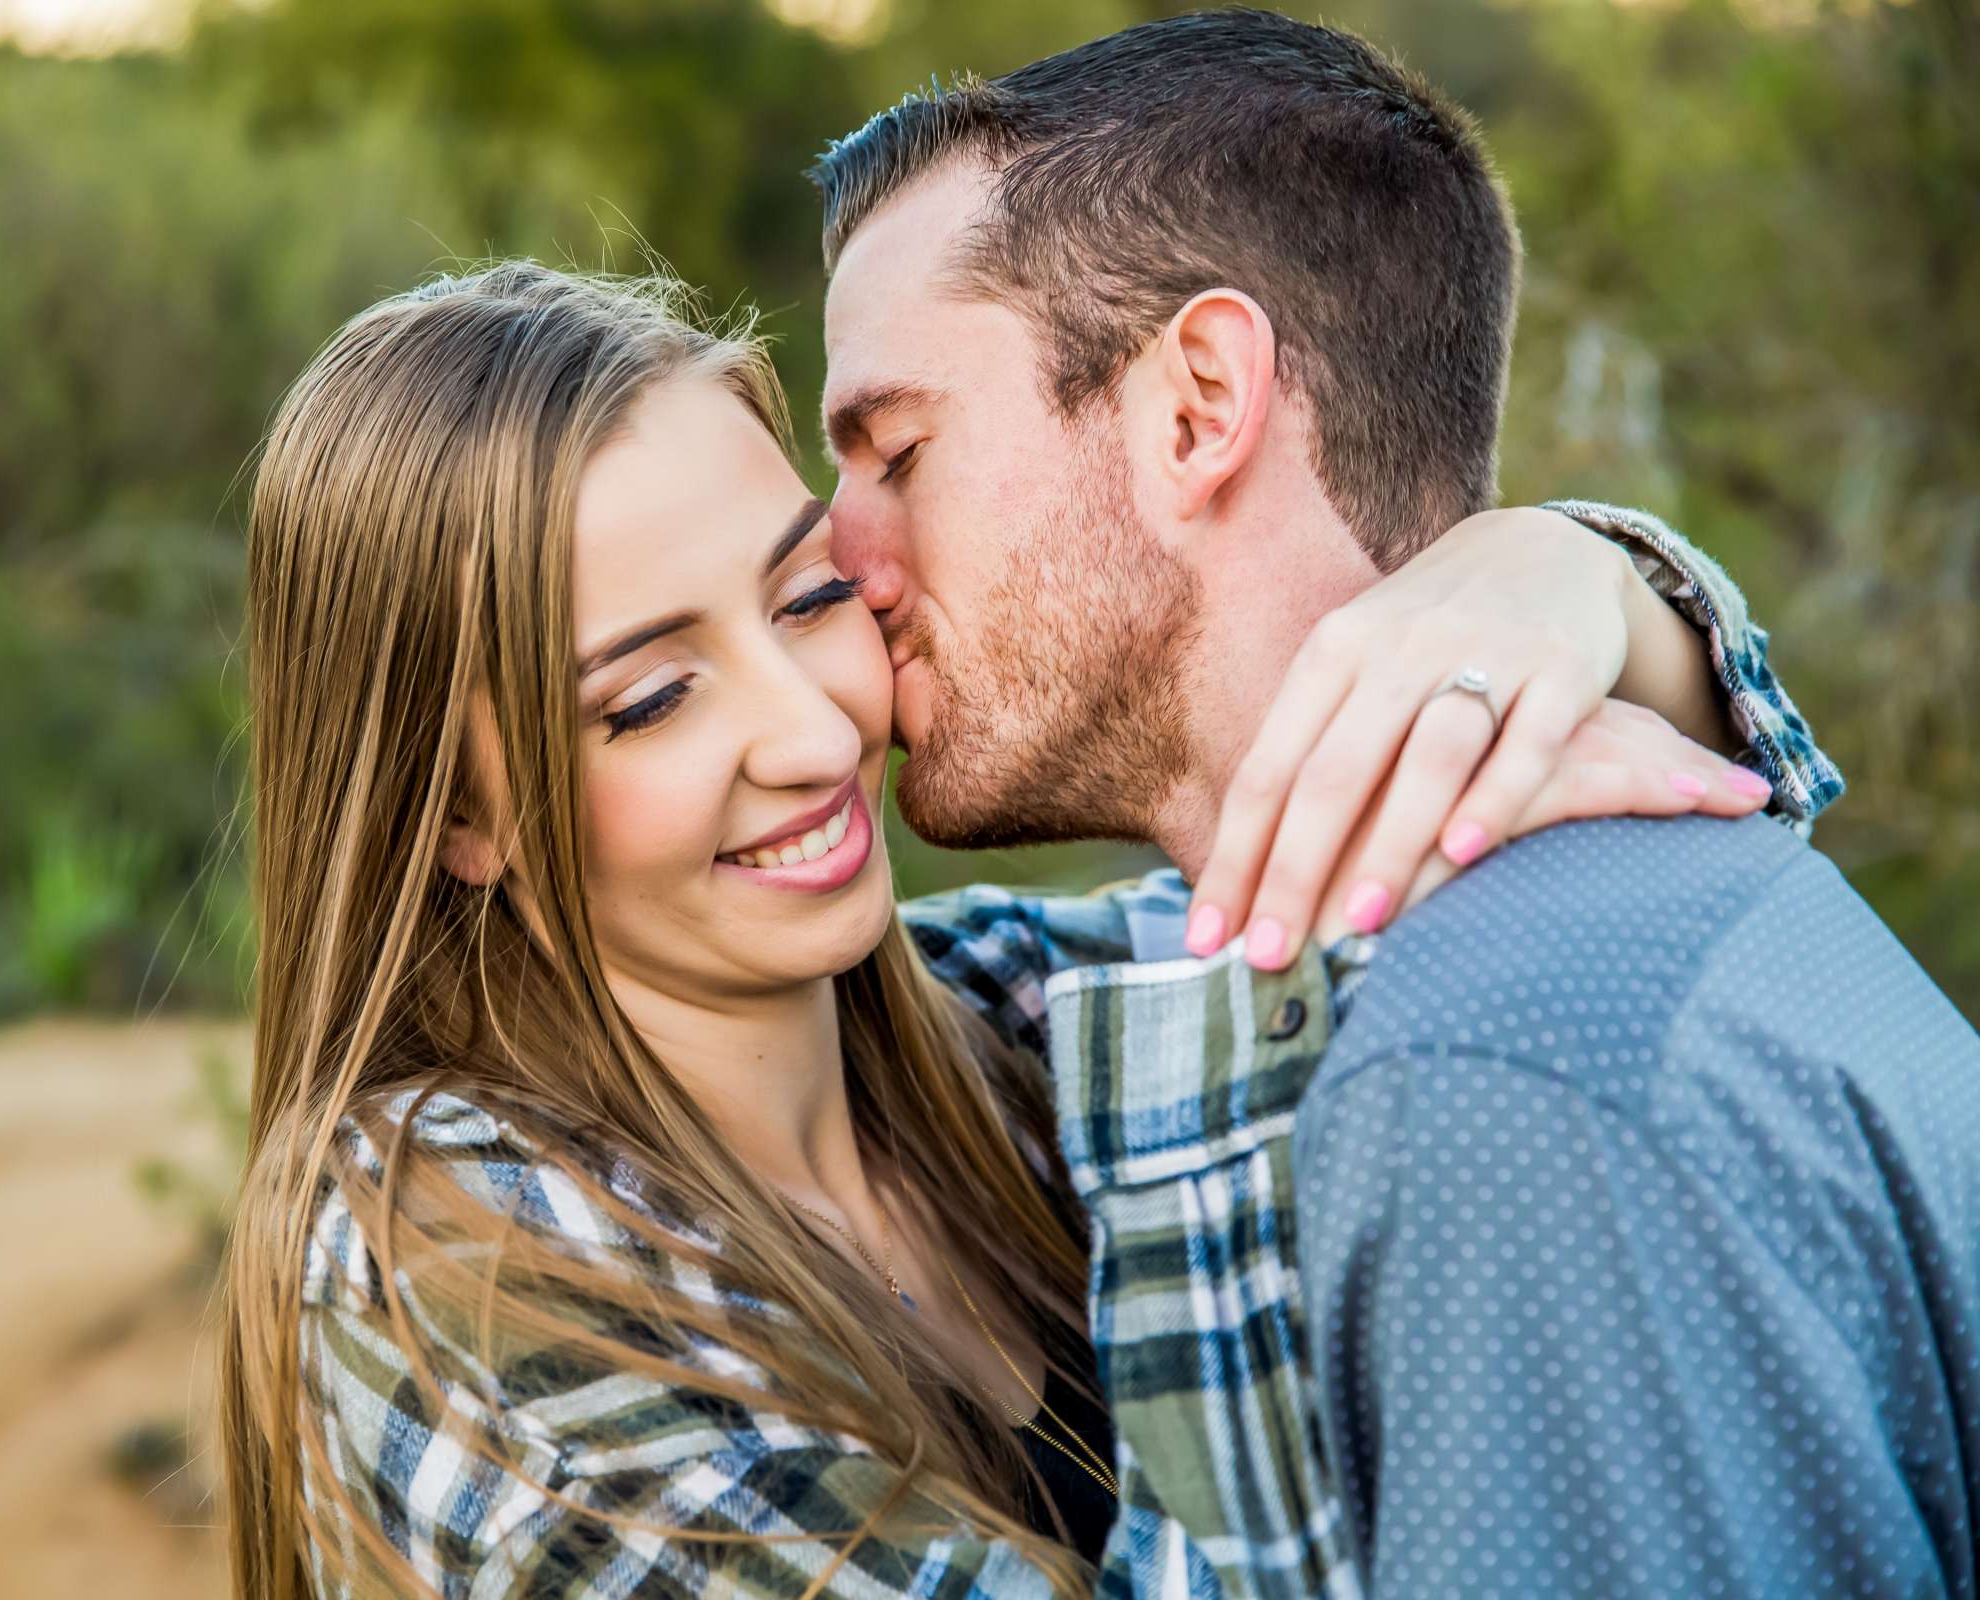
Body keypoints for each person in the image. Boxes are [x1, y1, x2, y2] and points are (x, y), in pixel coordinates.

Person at [216, 256, 1827, 1597]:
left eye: (806, 601)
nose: (815, 727)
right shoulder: (453, 1270)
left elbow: (1700, 773)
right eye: (647, 699)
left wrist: (1564, 583)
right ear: (458, 817)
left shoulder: (984, 1017)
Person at [812, 11, 1977, 1599]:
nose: (834, 562)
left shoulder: (1487, 1079)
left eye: (897, 450)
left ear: (1197, 404)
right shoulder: (1562, 926)